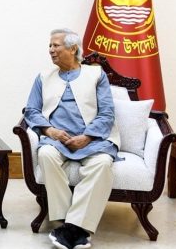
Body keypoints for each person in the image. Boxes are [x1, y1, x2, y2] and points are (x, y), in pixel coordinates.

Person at [24, 28, 121, 249]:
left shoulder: (96, 75)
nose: (51, 50)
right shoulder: (43, 77)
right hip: (56, 140)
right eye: (50, 46)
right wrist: (50, 131)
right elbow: (31, 111)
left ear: (73, 48)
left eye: (55, 45)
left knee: (103, 163)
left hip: (93, 140)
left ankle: (70, 228)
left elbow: (107, 113)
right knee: (46, 154)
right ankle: (72, 225)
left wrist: (87, 136)